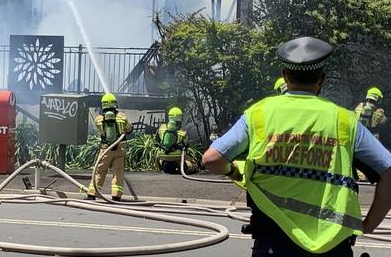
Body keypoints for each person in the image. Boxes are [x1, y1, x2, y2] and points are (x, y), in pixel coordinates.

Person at [202, 37, 391, 256]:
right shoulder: (344, 120)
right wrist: (369, 225)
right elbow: (388, 170)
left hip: (273, 241)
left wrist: (233, 171)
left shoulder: (259, 114)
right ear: (321, 80)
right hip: (333, 245)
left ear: (284, 76)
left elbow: (211, 159)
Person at [86, 93, 132, 201]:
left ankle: (92, 194)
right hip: (120, 147)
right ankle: (116, 196)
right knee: (118, 171)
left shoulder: (98, 119)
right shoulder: (122, 116)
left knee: (100, 170)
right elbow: (129, 129)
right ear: (114, 104)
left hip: (106, 148)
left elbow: (101, 131)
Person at [157, 107, 192, 174]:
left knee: (158, 157)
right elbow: (186, 145)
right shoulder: (182, 133)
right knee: (191, 163)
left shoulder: (161, 129)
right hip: (177, 156)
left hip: (163, 155)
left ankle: (161, 167)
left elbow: (157, 140)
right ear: (180, 118)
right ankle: (184, 167)